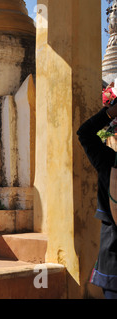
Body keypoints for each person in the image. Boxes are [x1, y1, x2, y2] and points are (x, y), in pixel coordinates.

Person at [77, 91, 117, 299]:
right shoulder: (108, 161)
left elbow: (85, 132)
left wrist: (109, 114)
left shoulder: (107, 161)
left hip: (112, 264)